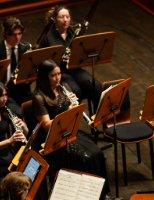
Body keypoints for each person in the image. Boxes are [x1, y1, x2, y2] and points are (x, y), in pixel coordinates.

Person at [32, 59, 109, 199]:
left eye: (59, 74)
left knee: (97, 153)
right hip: (53, 141)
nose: (58, 78)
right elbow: (47, 126)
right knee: (85, 159)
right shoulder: (39, 98)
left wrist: (76, 107)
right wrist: (68, 112)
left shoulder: (64, 87)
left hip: (69, 132)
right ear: (45, 77)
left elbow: (75, 117)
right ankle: (85, 195)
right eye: (53, 75)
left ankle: (101, 193)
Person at [40, 5, 102, 113]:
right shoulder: (47, 37)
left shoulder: (75, 34)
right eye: (61, 17)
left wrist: (77, 55)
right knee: (76, 91)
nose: (65, 20)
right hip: (60, 73)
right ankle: (73, 124)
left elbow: (83, 53)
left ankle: (99, 120)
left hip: (75, 69)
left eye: (67, 17)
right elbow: (43, 61)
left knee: (95, 86)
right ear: (55, 19)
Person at [0, 17, 32, 119]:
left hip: (23, 90)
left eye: (20, 33)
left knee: (34, 109)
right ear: (6, 34)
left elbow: (31, 72)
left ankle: (31, 134)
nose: (18, 38)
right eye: (14, 34)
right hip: (5, 93)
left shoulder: (26, 48)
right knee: (18, 113)